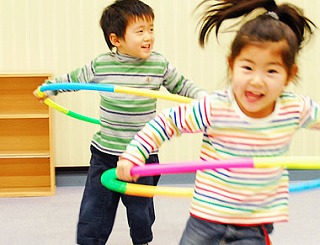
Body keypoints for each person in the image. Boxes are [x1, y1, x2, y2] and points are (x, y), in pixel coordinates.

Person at [116, 0, 320, 244]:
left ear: (290, 74)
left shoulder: (294, 108)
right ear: (232, 64)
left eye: (272, 71)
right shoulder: (215, 107)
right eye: (247, 67)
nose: (257, 80)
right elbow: (165, 123)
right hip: (207, 218)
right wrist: (134, 154)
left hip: (254, 222)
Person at [34, 0, 207, 244]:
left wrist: (204, 98)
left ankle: (142, 241)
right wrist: (49, 89)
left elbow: (182, 86)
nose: (148, 36)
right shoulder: (102, 64)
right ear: (116, 40)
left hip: (142, 155)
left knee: (140, 214)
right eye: (140, 31)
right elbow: (74, 79)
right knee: (94, 211)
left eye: (151, 29)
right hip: (105, 152)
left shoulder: (158, 64)